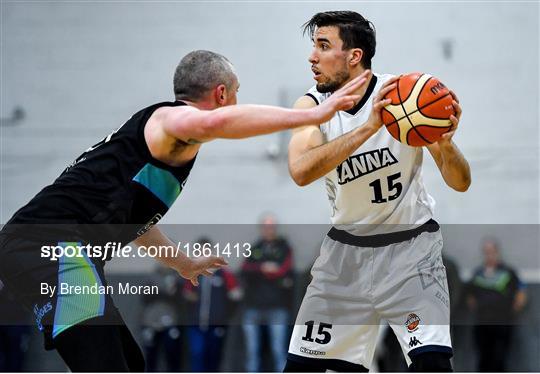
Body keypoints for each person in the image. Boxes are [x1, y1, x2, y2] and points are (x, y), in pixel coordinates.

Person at [0, 50, 367, 372]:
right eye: (237, 92)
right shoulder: (169, 119)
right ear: (222, 94)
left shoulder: (159, 151)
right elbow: (215, 122)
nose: (239, 101)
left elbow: (137, 222)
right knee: (104, 364)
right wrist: (315, 114)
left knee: (127, 362)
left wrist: (180, 263)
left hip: (54, 248)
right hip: (50, 245)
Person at [285, 11, 471, 372]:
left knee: (431, 363)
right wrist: (369, 126)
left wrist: (446, 145)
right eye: (314, 46)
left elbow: (461, 182)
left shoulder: (404, 96)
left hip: (411, 251)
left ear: (354, 56)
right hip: (344, 256)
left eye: (323, 46)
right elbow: (301, 171)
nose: (312, 57)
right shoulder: (312, 107)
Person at [241, 213, 294, 372]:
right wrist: (262, 268)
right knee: (252, 352)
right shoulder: (255, 247)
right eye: (265, 226)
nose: (268, 229)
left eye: (271, 226)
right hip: (253, 306)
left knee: (278, 351)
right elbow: (245, 270)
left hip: (277, 307)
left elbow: (283, 270)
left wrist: (264, 271)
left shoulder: (284, 248)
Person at [466, 238, 527, 372]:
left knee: (500, 358)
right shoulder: (478, 273)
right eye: (486, 252)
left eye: (492, 252)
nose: (489, 255)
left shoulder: (508, 272)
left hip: (502, 323)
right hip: (482, 323)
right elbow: (470, 294)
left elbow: (521, 292)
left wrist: (514, 309)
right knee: (483, 358)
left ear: (497, 252)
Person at [183, 237, 242, 372]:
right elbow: (187, 295)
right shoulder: (193, 274)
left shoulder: (224, 274)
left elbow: (236, 297)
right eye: (199, 252)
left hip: (217, 323)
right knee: (197, 354)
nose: (202, 256)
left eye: (205, 252)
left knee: (214, 357)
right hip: (196, 323)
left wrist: (223, 316)